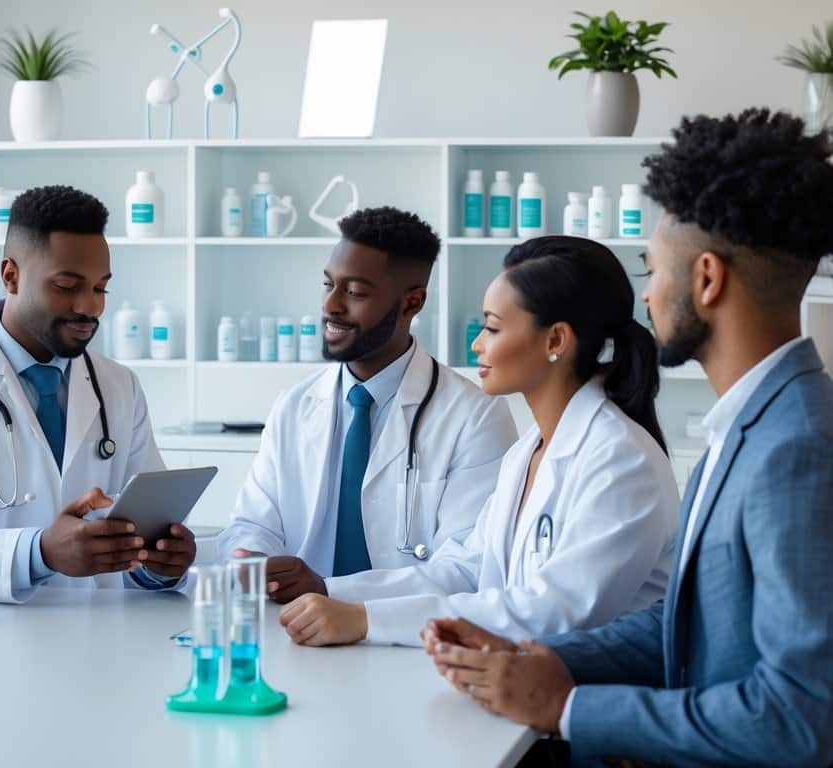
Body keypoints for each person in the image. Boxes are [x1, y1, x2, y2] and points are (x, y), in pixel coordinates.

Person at [425, 109, 833, 766]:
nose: (645, 300)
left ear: (704, 279)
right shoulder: (747, 426)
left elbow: (799, 719)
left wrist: (568, 706)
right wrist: (533, 660)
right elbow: (686, 623)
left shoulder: (797, 448)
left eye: (651, 272)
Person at [278, 236, 679, 648]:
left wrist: (366, 621)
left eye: (492, 327)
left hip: (591, 696)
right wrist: (332, 593)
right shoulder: (528, 453)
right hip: (517, 682)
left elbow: (553, 612)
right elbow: (467, 570)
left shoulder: (621, 460)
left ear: (555, 341)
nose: (477, 345)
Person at [0, 185, 195, 603]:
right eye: (67, 285)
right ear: (11, 275)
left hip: (104, 646)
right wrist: (38, 553)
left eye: (100, 288)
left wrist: (158, 567)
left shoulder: (119, 386)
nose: (89, 307)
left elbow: (139, 532)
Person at [217, 206, 517, 601]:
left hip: (407, 643)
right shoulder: (294, 406)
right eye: (329, 286)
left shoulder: (475, 415)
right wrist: (251, 558)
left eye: (355, 292)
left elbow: (468, 568)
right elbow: (252, 522)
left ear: (412, 302)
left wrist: (330, 591)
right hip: (292, 632)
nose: (331, 306)